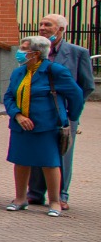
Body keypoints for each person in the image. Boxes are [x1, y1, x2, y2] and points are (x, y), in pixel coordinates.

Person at [4, 35, 85, 216]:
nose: (20, 52)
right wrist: (17, 115)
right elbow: (9, 96)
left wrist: (72, 117)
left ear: (36, 53)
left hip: (47, 126)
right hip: (21, 125)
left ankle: (55, 201)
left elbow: (76, 95)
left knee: (49, 163)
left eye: (24, 49)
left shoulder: (54, 71)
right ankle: (20, 198)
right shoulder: (19, 72)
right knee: (21, 161)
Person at [27, 13, 94, 207]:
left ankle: (61, 196)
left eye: (48, 25)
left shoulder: (77, 52)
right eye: (40, 24)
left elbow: (86, 85)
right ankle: (35, 193)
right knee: (37, 151)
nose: (42, 28)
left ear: (61, 29)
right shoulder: (33, 51)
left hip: (63, 113)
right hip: (38, 112)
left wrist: (73, 111)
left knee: (63, 153)